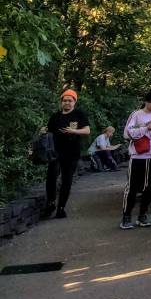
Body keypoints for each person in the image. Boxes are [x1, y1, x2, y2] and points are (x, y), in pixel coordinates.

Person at [43, 89, 91, 219]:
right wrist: (44, 131)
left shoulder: (79, 114)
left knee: (66, 180)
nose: (67, 103)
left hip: (72, 153)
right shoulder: (55, 116)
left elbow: (87, 131)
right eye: (65, 100)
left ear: (74, 102)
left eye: (70, 100)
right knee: (51, 178)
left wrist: (73, 131)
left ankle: (61, 208)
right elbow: (49, 132)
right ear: (61, 102)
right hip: (55, 153)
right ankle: (51, 203)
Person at [121, 91, 151, 229]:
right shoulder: (136, 114)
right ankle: (126, 216)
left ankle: (142, 215)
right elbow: (127, 133)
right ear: (147, 102)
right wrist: (146, 127)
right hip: (137, 155)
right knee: (132, 187)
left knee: (149, 187)